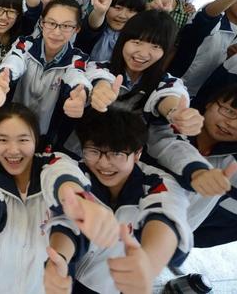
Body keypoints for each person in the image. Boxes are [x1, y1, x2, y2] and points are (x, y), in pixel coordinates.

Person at [0, 103, 119, 294]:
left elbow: (62, 178)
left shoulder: (55, 162)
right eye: (3, 140)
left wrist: (77, 201)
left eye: (23, 140)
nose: (13, 150)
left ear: (35, 139)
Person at [53, 108, 192, 293]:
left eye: (117, 154)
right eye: (94, 151)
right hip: (59, 275)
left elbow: (167, 216)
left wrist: (149, 262)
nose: (103, 163)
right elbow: (58, 179)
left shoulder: (155, 182)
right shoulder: (76, 170)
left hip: (106, 286)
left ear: (137, 153)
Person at [146, 83, 237, 244]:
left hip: (164, 239)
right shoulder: (178, 119)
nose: (233, 124)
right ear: (210, 103)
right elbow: (171, 147)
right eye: (229, 111)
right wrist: (198, 171)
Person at [85, 10, 204, 137]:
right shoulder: (98, 67)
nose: (143, 54)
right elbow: (97, 76)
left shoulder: (167, 82)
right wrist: (101, 87)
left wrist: (174, 113)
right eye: (137, 42)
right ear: (122, 41)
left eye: (156, 46)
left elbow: (170, 94)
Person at [0, 0, 91, 148]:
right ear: (41, 23)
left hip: (44, 137)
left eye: (66, 26)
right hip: (10, 127)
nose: (56, 32)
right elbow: (14, 60)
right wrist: (5, 76)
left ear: (76, 29)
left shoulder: (77, 59)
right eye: (51, 23)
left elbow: (76, 75)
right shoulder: (25, 44)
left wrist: (81, 93)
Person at [74, 0, 146, 62]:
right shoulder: (97, 25)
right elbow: (93, 25)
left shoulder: (139, 36)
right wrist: (99, 12)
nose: (122, 15)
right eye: (117, 8)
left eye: (131, 10)